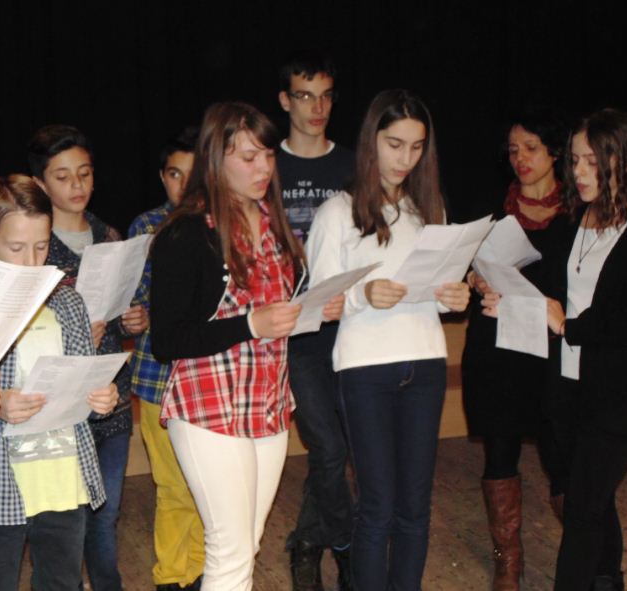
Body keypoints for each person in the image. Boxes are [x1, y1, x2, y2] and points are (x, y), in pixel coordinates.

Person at [150, 101, 343, 591]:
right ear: (216, 159)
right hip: (208, 405)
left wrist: (315, 311)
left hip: (267, 403)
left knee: (245, 545)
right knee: (231, 551)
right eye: (249, 157)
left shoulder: (276, 225)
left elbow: (282, 313)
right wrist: (251, 324)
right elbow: (167, 341)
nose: (263, 169)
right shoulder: (187, 232)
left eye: (268, 156)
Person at [306, 89, 470, 590]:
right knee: (377, 505)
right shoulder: (337, 212)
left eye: (417, 147)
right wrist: (362, 294)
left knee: (415, 506)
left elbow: (437, 292)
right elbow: (319, 301)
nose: (405, 158)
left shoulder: (428, 208)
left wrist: (454, 296)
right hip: (365, 368)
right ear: (370, 140)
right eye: (395, 144)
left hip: (425, 362)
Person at [0, 174, 119, 591]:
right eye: (16, 248)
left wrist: (100, 398)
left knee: (61, 583)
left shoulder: (67, 302)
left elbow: (83, 384)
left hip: (63, 479)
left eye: (41, 246)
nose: (32, 262)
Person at [540, 109, 627, 591]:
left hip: (622, 398)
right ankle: (607, 580)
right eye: (575, 160)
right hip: (570, 386)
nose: (578, 172)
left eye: (592, 161)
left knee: (581, 509)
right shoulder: (573, 220)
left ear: (625, 161)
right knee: (592, 498)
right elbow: (550, 285)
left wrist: (568, 326)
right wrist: (501, 290)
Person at [27, 125, 144, 591]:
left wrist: (132, 320)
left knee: (106, 511)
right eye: (62, 177)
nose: (77, 186)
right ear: (40, 183)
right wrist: (72, 333)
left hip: (109, 397)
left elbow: (119, 312)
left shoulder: (107, 234)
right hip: (61, 404)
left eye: (85, 173)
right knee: (66, 519)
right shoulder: (34, 245)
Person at [460, 107, 568, 590]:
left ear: (554, 152)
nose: (520, 158)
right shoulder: (491, 210)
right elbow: (463, 268)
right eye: (513, 150)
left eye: (531, 148)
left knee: (562, 453)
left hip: (552, 349)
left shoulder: (579, 213)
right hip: (497, 347)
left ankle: (589, 551)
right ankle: (508, 561)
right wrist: (474, 278)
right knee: (500, 449)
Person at [275, 51, 355, 591]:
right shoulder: (267, 166)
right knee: (326, 447)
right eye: (305, 96)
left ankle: (307, 540)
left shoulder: (352, 165)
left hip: (350, 328)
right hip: (293, 334)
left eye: (325, 96)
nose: (317, 108)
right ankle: (343, 546)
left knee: (340, 449)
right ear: (285, 101)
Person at [128, 127, 204, 591]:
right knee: (174, 485)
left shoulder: (223, 221)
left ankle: (201, 569)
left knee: (208, 486)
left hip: (210, 379)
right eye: (175, 174)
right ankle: (172, 577)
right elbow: (134, 296)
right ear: (162, 177)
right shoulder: (147, 227)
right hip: (159, 377)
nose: (184, 185)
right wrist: (135, 316)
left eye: (193, 175)